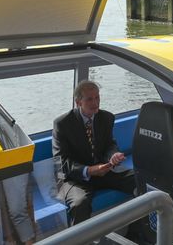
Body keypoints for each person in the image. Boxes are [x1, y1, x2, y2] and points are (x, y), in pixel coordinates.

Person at [53, 80, 136, 225]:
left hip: (103, 170)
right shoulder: (63, 124)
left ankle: (141, 227)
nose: (95, 102)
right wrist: (89, 170)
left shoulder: (106, 117)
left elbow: (109, 144)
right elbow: (62, 163)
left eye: (97, 97)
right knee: (79, 204)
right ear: (78, 102)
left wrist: (113, 156)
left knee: (140, 179)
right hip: (75, 178)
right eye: (89, 99)